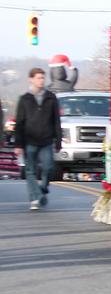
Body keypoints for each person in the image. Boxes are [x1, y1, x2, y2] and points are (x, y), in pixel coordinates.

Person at [13, 68, 62, 211]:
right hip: (29, 140)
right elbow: (19, 123)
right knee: (30, 171)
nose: (41, 81)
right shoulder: (24, 99)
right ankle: (35, 198)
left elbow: (56, 121)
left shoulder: (51, 98)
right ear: (31, 79)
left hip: (46, 140)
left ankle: (43, 188)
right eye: (38, 78)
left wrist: (58, 140)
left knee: (48, 168)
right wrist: (18, 144)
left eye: (42, 78)